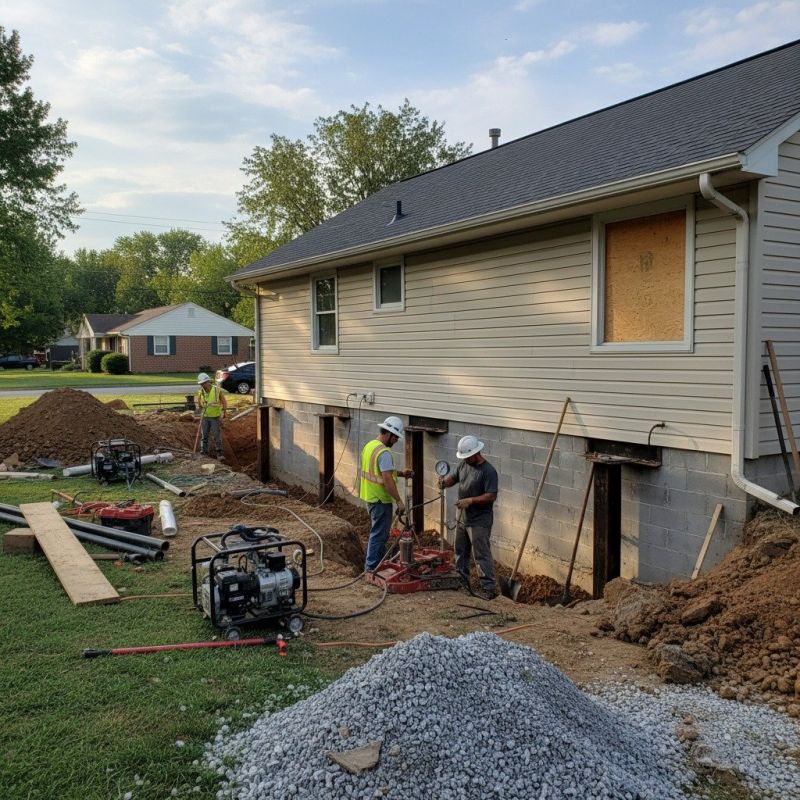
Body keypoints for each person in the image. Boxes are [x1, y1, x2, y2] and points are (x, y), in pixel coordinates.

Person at [440, 434, 499, 600]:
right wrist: (444, 481)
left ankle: (488, 588)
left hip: (479, 521)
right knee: (460, 551)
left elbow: (491, 495)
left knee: (481, 554)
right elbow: (454, 478)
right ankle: (461, 581)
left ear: (475, 454)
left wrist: (471, 500)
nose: (465, 459)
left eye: (467, 457)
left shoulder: (488, 471)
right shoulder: (464, 465)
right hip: (462, 518)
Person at [360, 416, 413, 572]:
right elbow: (387, 479)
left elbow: (382, 471)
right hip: (380, 499)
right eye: (395, 437)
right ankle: (371, 569)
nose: (396, 440)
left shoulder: (370, 446)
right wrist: (399, 501)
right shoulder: (384, 453)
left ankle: (378, 565)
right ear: (389, 434)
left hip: (370, 497)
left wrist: (402, 473)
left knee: (379, 534)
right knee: (379, 535)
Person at [195, 372, 227, 458]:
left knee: (216, 435)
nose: (201, 385)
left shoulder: (217, 390)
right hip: (205, 417)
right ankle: (204, 452)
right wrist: (200, 409)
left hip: (215, 417)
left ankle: (220, 453)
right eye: (200, 384)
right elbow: (199, 404)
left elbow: (224, 401)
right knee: (204, 435)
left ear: (207, 382)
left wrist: (224, 412)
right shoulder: (200, 392)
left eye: (202, 383)